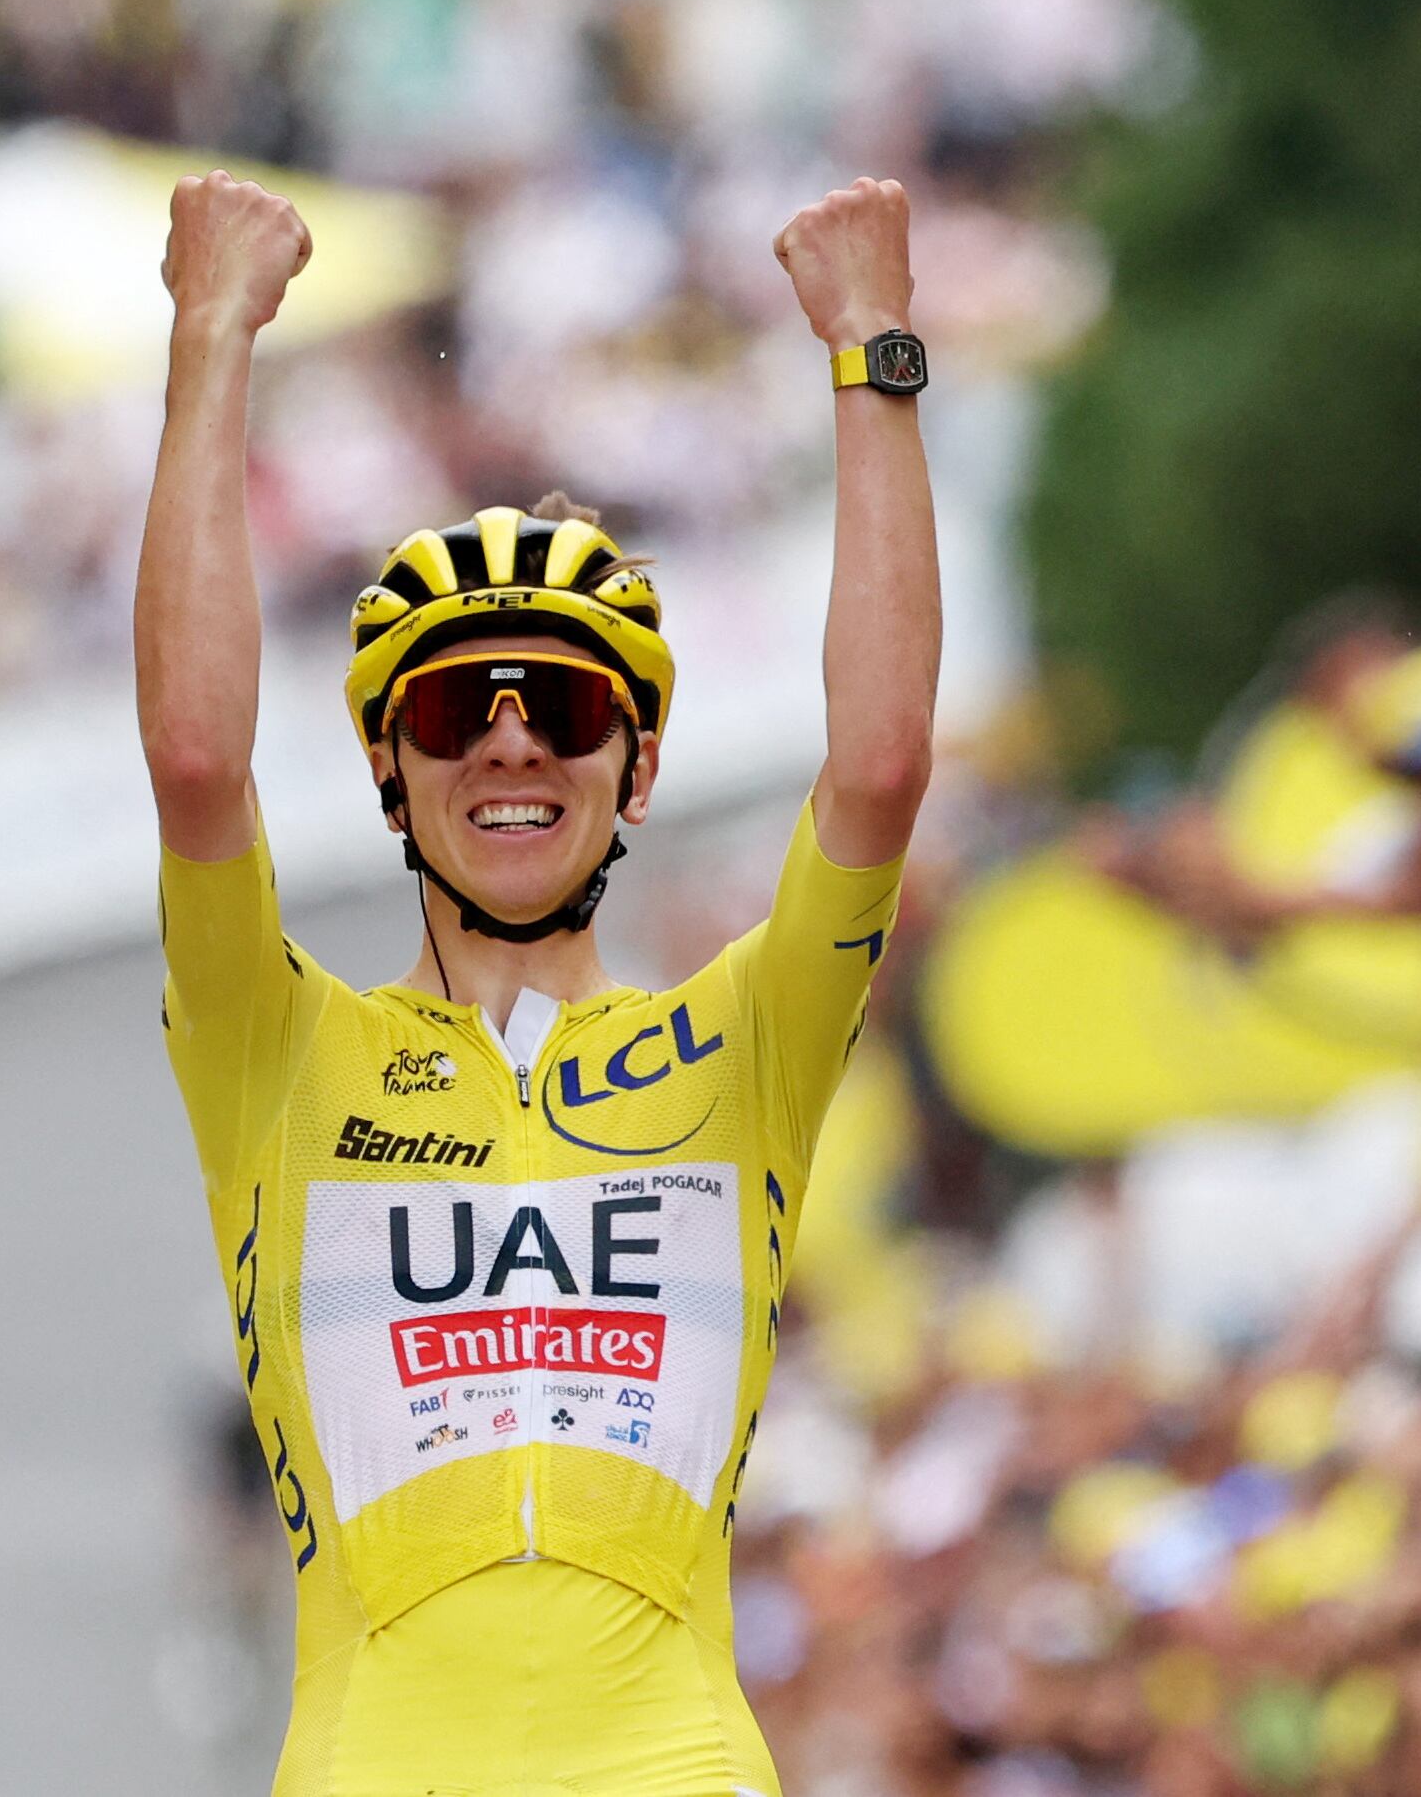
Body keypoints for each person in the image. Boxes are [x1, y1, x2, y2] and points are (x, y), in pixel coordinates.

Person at [134, 168, 939, 1795]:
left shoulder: (737, 1046)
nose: (509, 741)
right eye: (452, 716)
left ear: (633, 776)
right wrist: (210, 333)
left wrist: (874, 347)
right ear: (388, 773)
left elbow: (877, 769)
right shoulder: (281, 1051)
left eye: (563, 711)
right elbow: (197, 759)